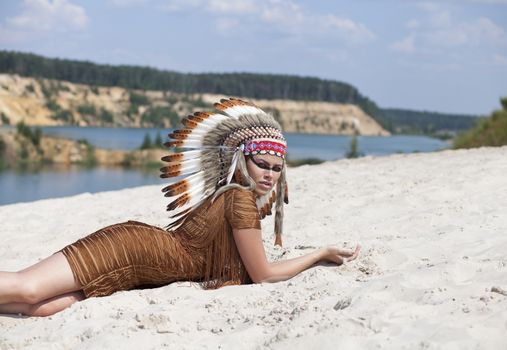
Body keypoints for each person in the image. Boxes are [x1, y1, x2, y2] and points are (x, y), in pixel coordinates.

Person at [0, 98, 360, 317]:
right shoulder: (239, 198)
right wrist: (318, 254)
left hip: (139, 271)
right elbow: (264, 273)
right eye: (261, 164)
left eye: (276, 167)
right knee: (28, 288)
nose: (268, 174)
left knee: (39, 308)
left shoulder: (234, 195)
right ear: (242, 162)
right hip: (130, 249)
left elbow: (254, 268)